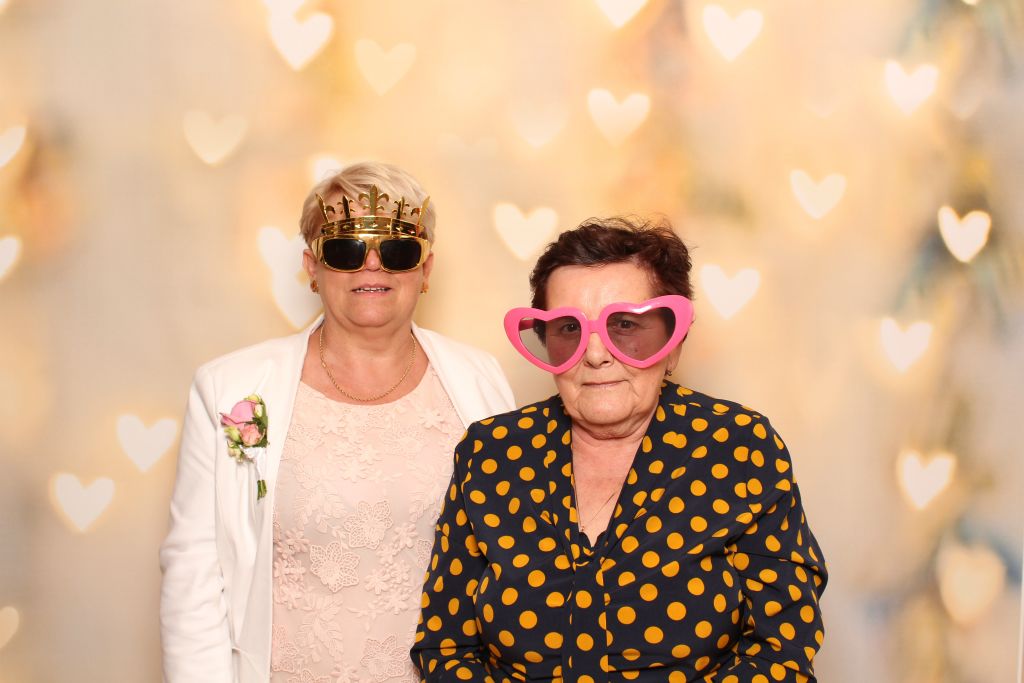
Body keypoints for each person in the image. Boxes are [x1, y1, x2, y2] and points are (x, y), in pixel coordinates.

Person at [412, 217, 827, 681]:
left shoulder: (738, 448)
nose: (595, 354)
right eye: (568, 329)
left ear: (673, 342)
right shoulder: (492, 454)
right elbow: (447, 646)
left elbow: (781, 649)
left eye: (625, 326)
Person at [160, 162, 515, 683]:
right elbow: (194, 575)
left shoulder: (480, 380)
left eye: (396, 251)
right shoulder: (230, 388)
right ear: (312, 266)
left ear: (426, 268)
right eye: (346, 250)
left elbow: (512, 560)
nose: (372, 268)